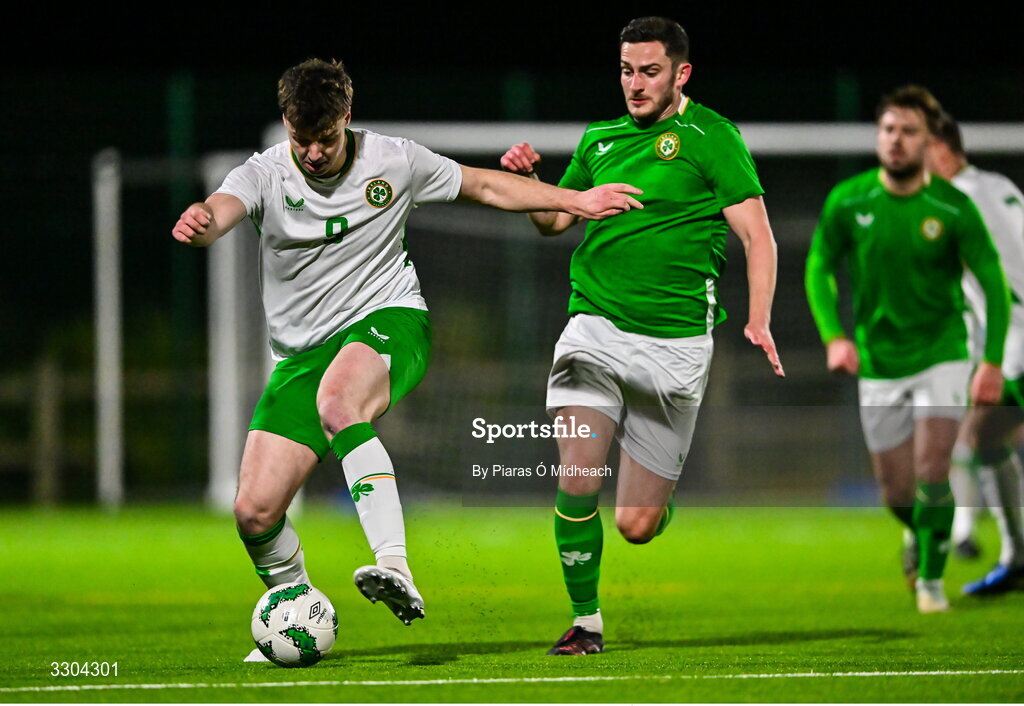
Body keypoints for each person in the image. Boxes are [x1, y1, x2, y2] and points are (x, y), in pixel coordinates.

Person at [171, 58, 643, 661]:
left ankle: (394, 564)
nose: (312, 153)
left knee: (339, 403)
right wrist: (202, 222)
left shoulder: (394, 161)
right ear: (287, 125)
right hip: (304, 356)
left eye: (325, 138)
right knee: (254, 511)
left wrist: (576, 199)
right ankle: (296, 609)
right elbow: (221, 210)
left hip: (390, 321)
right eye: (300, 139)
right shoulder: (264, 173)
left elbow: (486, 185)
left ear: (346, 117)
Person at [501, 17, 784, 655]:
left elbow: (758, 236)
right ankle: (586, 621)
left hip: (676, 347)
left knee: (634, 524)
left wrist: (759, 317)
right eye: (627, 70)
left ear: (681, 73)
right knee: (577, 474)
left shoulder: (712, 137)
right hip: (593, 329)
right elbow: (551, 222)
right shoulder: (599, 141)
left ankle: (655, 504)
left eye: (649, 71)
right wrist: (536, 185)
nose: (635, 83)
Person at [805, 86, 1010, 613]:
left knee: (933, 468)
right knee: (896, 492)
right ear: (879, 136)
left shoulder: (953, 206)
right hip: (879, 361)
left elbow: (992, 284)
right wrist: (834, 336)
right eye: (888, 129)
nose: (896, 140)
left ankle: (932, 584)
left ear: (927, 142)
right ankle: (919, 534)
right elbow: (819, 267)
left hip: (943, 353)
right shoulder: (849, 200)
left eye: (909, 131)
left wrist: (990, 361)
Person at [927, 113, 1024, 595]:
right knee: (984, 435)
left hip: (1019, 342)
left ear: (942, 151)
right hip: (1012, 343)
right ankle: (1017, 555)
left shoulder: (957, 201)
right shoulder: (996, 185)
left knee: (983, 434)